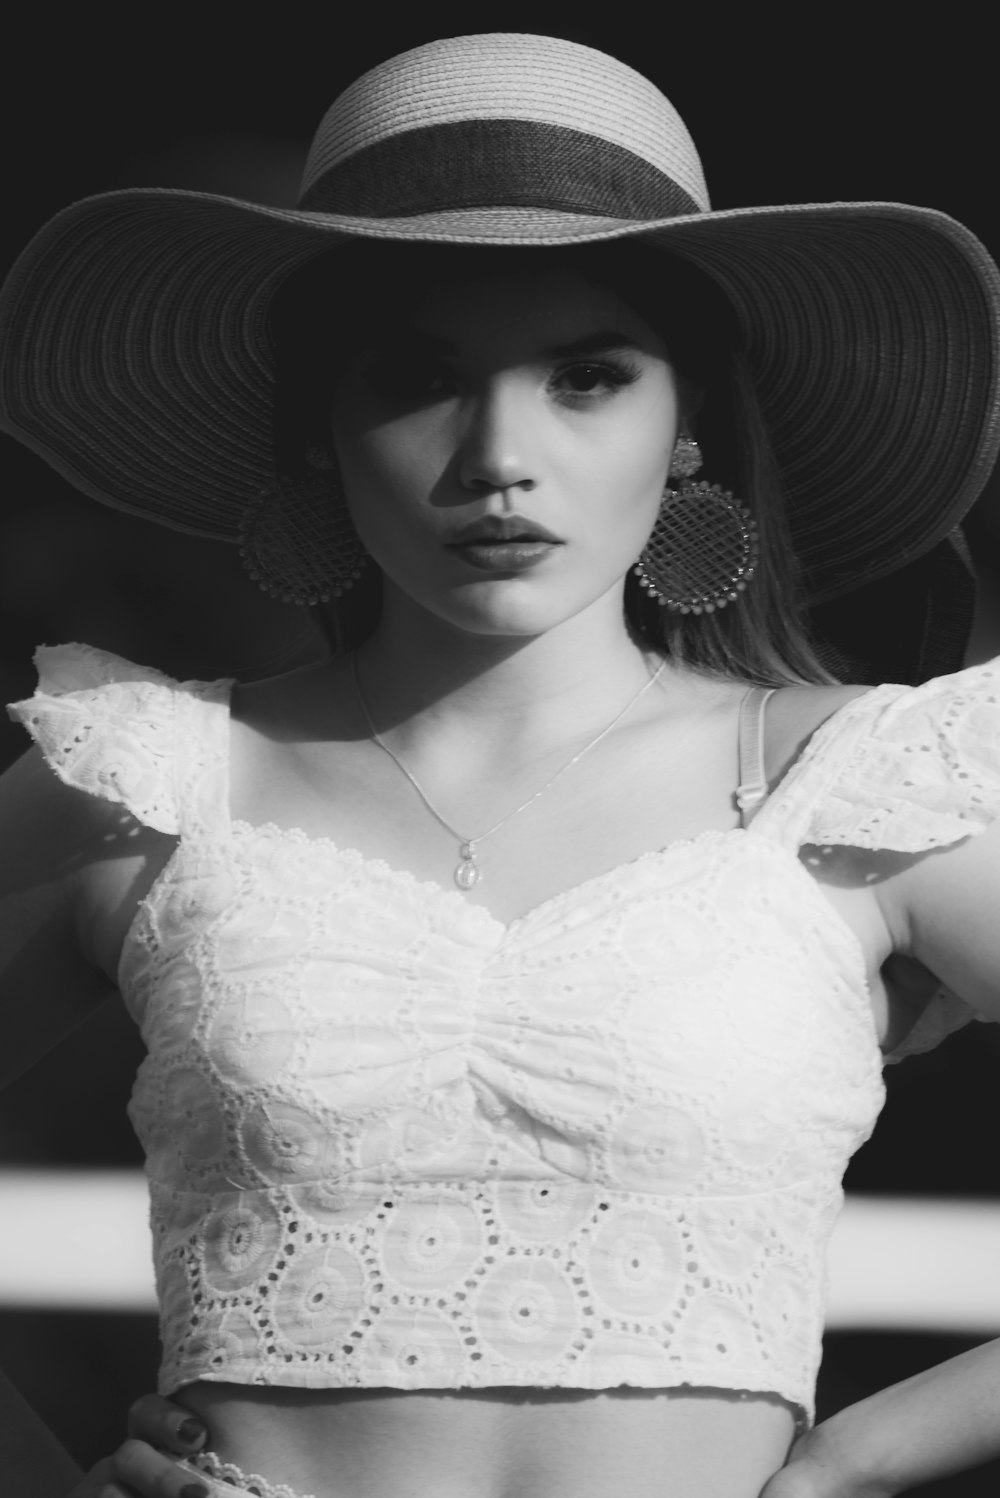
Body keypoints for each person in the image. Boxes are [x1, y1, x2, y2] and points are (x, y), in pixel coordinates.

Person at [2, 29, 1000, 1498]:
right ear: (318, 431)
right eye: (418, 378)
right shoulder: (144, 777)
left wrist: (853, 1461)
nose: (497, 456)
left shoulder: (861, 787)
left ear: (689, 432)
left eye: (588, 376)